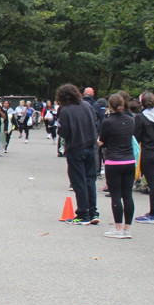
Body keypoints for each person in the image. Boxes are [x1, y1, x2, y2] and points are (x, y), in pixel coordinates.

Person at [57, 84, 100, 225]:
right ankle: (93, 211)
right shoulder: (87, 106)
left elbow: (63, 132)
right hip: (91, 146)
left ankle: (83, 213)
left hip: (76, 147)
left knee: (78, 181)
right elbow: (95, 123)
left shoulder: (65, 111)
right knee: (90, 179)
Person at [98, 93, 135, 238]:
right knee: (128, 195)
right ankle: (127, 228)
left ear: (110, 105)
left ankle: (118, 228)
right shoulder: (131, 120)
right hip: (129, 160)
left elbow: (103, 141)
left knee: (116, 196)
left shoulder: (108, 122)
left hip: (113, 160)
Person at [134, 92, 154, 224]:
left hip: (148, 153)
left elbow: (136, 137)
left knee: (152, 184)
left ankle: (153, 214)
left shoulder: (141, 117)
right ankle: (153, 212)